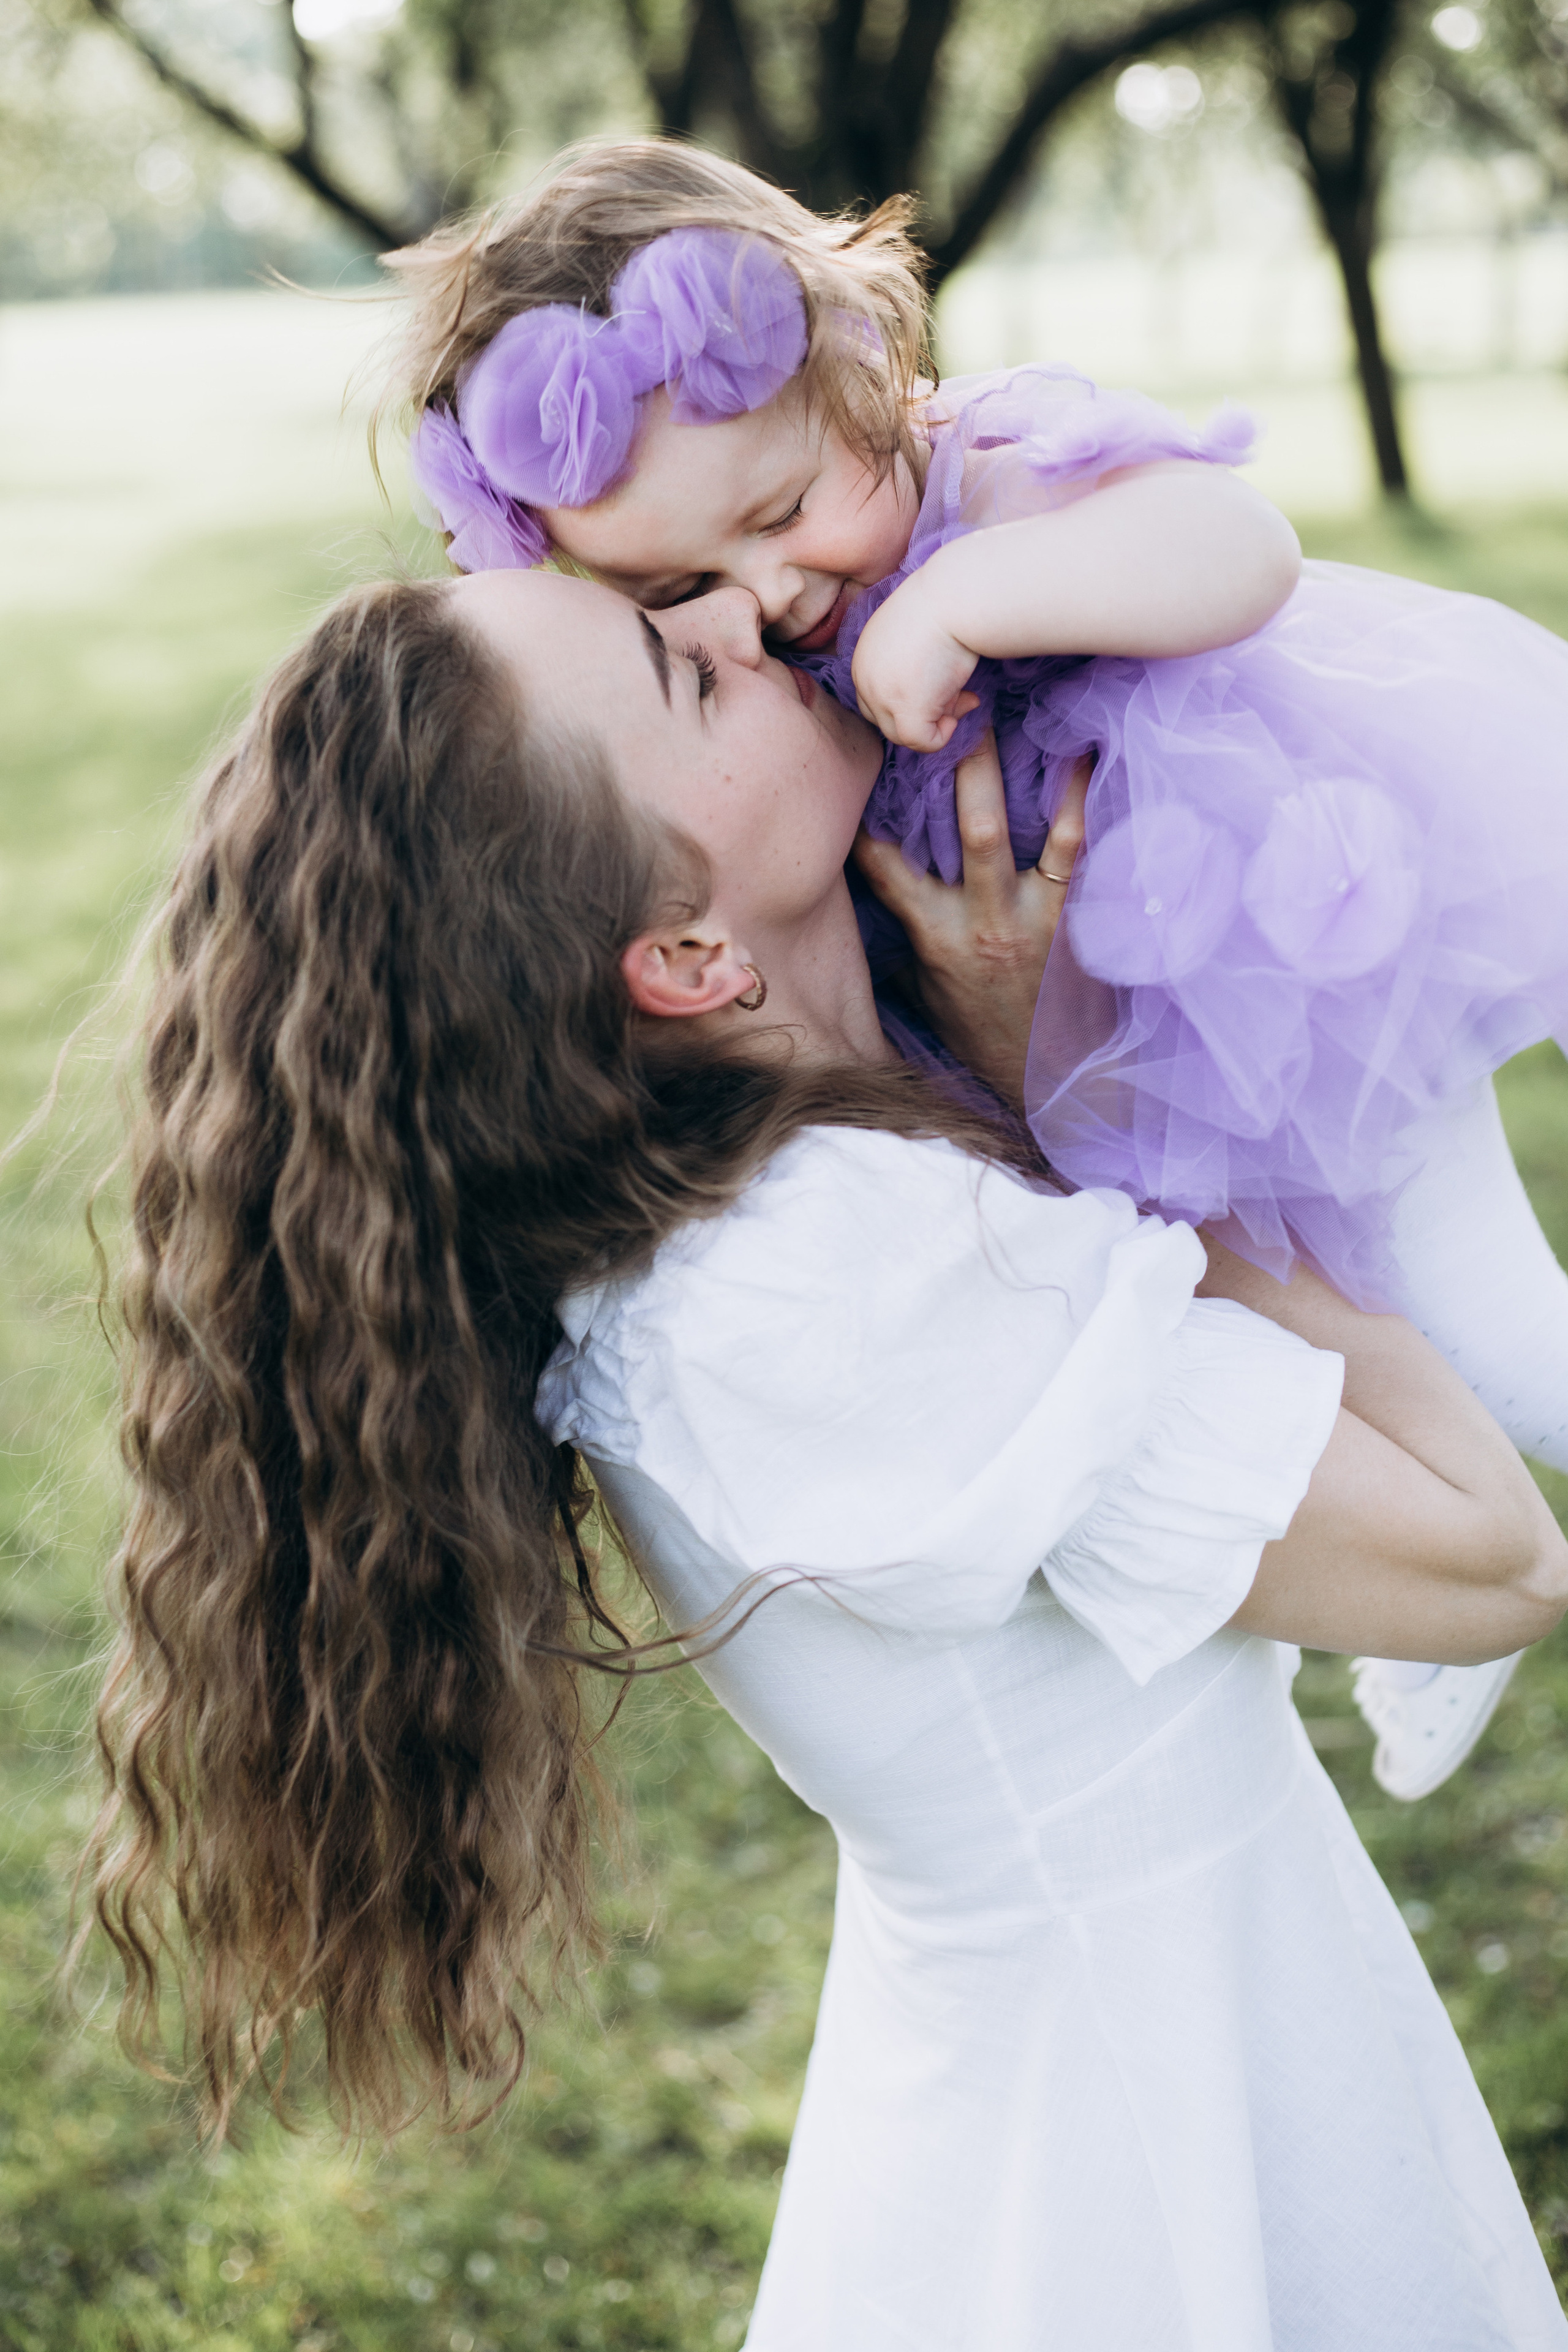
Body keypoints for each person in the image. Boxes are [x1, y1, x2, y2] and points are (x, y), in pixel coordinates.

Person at [91, 561, 1568, 2346]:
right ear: (687, 954)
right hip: (1128, 2169)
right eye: (680, 673)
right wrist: (1107, 1117)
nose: (735, 624)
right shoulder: (832, 1282)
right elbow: (1493, 1558)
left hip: (1145, 2028)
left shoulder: (780, 1194)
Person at [386, 137, 1568, 1797]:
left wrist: (981, 598)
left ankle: (1466, 1550)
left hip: (1276, 960)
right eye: (676, 593)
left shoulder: (988, 473)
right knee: (1311, 1347)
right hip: (1098, 1062)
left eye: (787, 514)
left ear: (869, 372)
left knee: (1484, 1302)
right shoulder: (769, 729)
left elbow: (1241, 547)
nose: (771, 598)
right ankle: (1394, 1598)